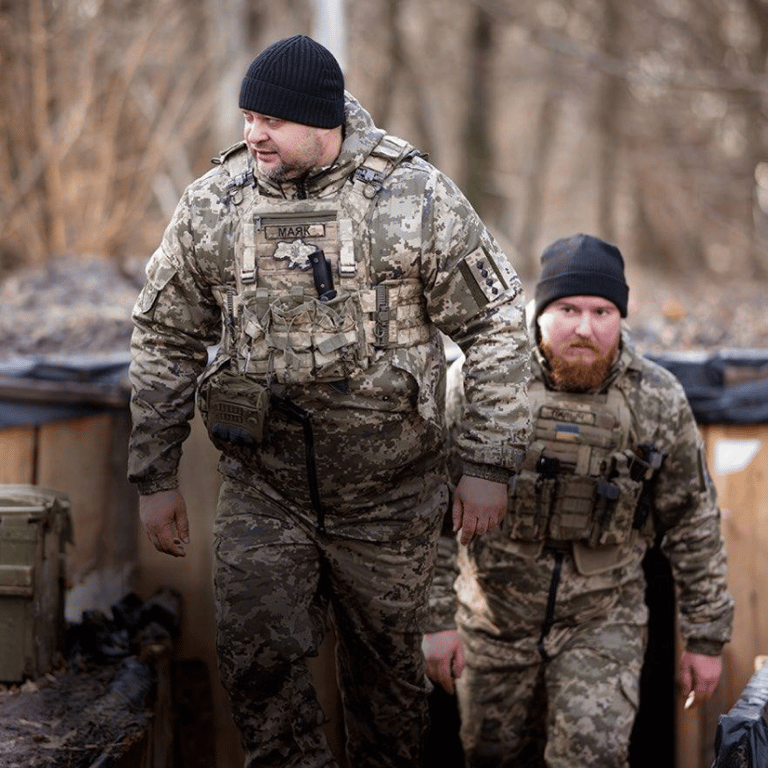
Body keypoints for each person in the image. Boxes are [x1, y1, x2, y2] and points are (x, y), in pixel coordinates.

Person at [126, 34, 532, 768]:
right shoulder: (215, 202)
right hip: (264, 489)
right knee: (258, 671)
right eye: (247, 116)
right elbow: (163, 336)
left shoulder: (414, 196)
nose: (253, 133)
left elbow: (499, 326)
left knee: (390, 700)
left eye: (271, 121)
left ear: (323, 121)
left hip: (391, 499)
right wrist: (154, 477)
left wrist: (489, 461)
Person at [422, 234, 734, 767]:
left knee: (591, 757)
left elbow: (692, 522)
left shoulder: (656, 398)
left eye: (602, 311)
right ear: (540, 311)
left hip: (602, 621)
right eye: (567, 309)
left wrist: (707, 638)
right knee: (491, 757)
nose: (585, 328)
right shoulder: (479, 385)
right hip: (492, 622)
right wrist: (435, 620)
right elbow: (429, 512)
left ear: (621, 317)